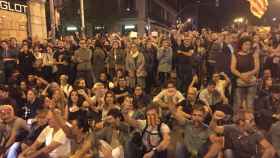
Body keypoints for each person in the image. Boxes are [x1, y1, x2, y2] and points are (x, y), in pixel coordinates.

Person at [210, 110, 276, 158]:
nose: (254, 124)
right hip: (234, 155)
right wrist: (214, 119)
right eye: (251, 121)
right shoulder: (232, 128)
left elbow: (270, 148)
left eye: (253, 120)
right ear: (241, 122)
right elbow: (214, 128)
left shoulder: (255, 133)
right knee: (228, 151)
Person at [231, 37, 260, 112]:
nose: (248, 46)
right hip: (239, 83)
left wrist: (248, 74)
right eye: (246, 44)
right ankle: (237, 121)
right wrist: (242, 76)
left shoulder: (254, 54)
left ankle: (250, 121)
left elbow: (257, 68)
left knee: (250, 104)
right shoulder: (235, 54)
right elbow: (233, 69)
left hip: (252, 83)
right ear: (241, 45)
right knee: (238, 104)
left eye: (249, 44)